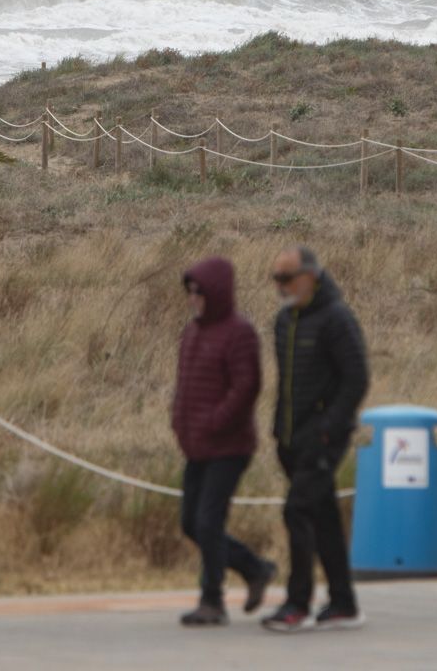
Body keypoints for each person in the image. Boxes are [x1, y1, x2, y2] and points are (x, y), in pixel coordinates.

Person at [262, 246, 369, 633]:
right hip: (291, 440)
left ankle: (297, 604)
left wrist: (328, 427)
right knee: (323, 517)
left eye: (286, 278)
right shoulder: (284, 321)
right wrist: (280, 432)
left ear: (311, 276)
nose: (280, 286)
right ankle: (343, 603)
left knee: (297, 511)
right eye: (276, 279)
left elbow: (356, 379)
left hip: (324, 439)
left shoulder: (336, 319)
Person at [171, 256, 276, 627]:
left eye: (198, 292)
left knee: (208, 522)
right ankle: (255, 568)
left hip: (229, 447)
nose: (193, 299)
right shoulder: (193, 331)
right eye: (190, 292)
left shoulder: (239, 332)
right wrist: (179, 423)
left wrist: (214, 422)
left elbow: (247, 386)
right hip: (197, 445)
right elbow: (184, 385)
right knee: (190, 522)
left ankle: (212, 600)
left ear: (215, 292)